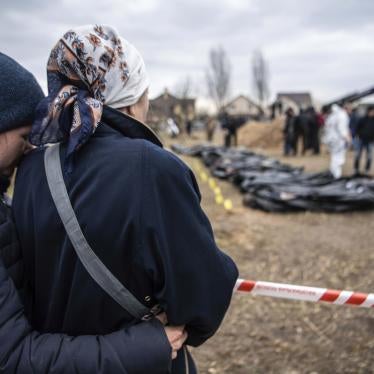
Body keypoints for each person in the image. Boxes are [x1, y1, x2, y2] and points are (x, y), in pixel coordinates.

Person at [13, 25, 238, 374]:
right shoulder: (152, 168)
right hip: (141, 361)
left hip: (54, 361)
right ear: (132, 97)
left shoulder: (29, 168)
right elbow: (202, 301)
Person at [0, 51, 187, 373]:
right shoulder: (150, 165)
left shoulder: (16, 188)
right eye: (24, 136)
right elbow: (12, 358)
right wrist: (148, 345)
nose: (32, 147)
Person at [322, 104, 351, 178]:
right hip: (338, 140)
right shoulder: (342, 115)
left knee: (334, 157)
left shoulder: (332, 116)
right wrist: (347, 138)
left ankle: (333, 173)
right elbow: (342, 129)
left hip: (331, 140)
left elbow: (327, 128)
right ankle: (336, 175)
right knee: (338, 158)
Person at [354, 105, 374, 174]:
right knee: (358, 155)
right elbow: (357, 128)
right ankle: (356, 170)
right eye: (371, 111)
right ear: (368, 111)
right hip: (361, 140)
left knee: (369, 157)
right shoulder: (362, 119)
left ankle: (367, 170)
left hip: (370, 141)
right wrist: (359, 135)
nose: (372, 112)